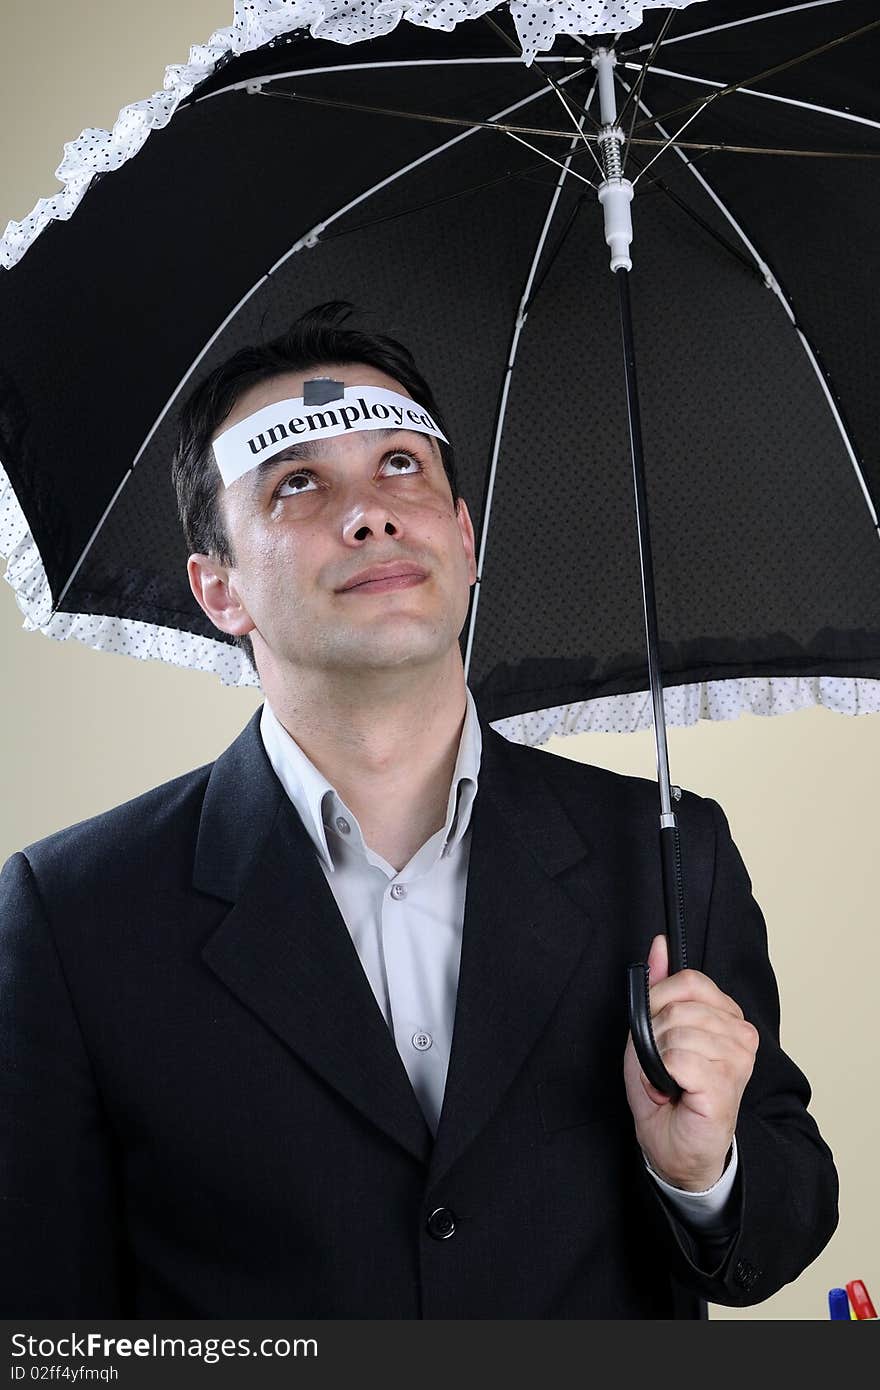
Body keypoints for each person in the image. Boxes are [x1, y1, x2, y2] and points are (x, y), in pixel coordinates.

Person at [0, 302, 837, 1319]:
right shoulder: (70, 912)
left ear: (467, 539)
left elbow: (783, 1213)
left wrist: (705, 1171)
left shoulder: (668, 850)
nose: (370, 512)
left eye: (401, 465)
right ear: (217, 588)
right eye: (298, 481)